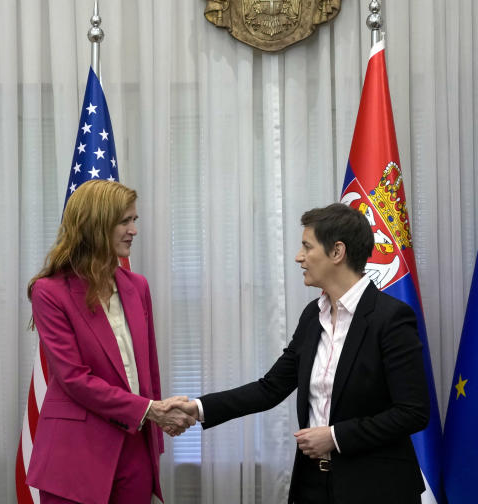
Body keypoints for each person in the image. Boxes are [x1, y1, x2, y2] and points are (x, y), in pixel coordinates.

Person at [180, 203, 430, 504]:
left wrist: (335, 436)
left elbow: (412, 411)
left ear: (337, 252)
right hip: (313, 485)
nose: (299, 257)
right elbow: (270, 388)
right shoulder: (314, 315)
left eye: (306, 247)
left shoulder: (390, 318)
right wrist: (196, 408)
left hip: (375, 488)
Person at [26, 180, 194, 504]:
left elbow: (149, 371)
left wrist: (157, 422)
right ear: (95, 226)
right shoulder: (49, 292)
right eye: (124, 221)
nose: (134, 230)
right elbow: (74, 379)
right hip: (74, 452)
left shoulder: (138, 286)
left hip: (135, 445)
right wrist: (152, 411)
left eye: (135, 220)